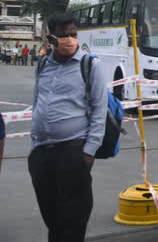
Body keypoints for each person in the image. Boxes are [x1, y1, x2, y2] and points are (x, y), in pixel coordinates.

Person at [28, 13, 108, 242]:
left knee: (73, 218)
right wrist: (35, 144)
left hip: (73, 152)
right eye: (63, 36)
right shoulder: (43, 63)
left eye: (73, 34)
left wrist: (88, 152)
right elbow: (37, 101)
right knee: (51, 215)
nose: (70, 40)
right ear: (51, 39)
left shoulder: (90, 64)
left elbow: (99, 109)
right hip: (41, 153)